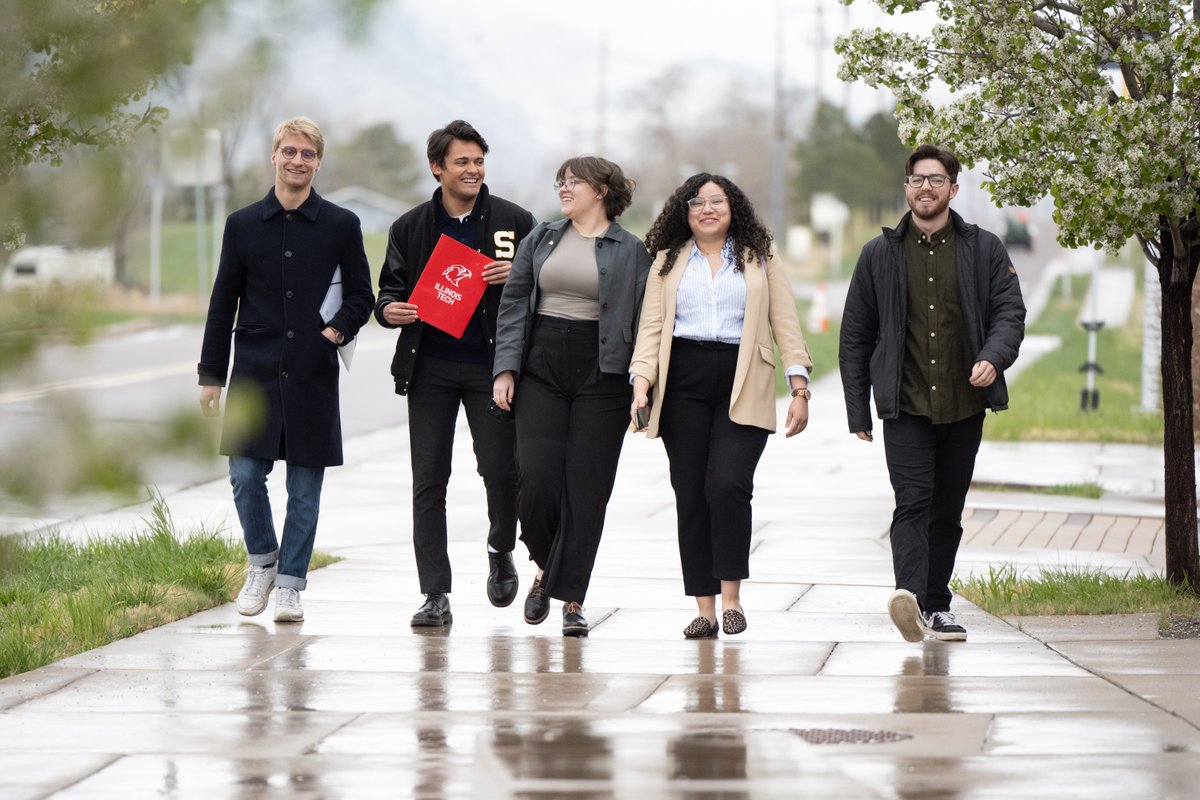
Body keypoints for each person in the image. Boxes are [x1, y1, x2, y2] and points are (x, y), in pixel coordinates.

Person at [839, 143, 1025, 643]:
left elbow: (1011, 312)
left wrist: (993, 355)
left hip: (965, 404)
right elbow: (855, 334)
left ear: (953, 188)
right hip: (906, 405)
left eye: (936, 179)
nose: (926, 187)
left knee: (947, 507)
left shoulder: (983, 248)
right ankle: (909, 598)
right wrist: (858, 408)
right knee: (912, 501)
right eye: (918, 179)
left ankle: (937, 605)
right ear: (906, 188)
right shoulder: (879, 254)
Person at [198, 116, 374, 623]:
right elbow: (222, 301)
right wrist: (211, 374)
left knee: (304, 487)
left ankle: (292, 585)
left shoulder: (342, 224)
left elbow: (361, 295)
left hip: (312, 371)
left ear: (318, 161)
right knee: (245, 475)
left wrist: (332, 335)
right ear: (273, 156)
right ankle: (262, 563)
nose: (298, 161)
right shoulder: (243, 224)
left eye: (308, 154)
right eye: (289, 151)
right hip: (253, 370)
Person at [629, 173, 813, 640]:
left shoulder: (759, 257)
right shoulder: (667, 261)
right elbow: (651, 328)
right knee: (690, 493)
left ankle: (732, 599)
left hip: (744, 377)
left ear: (734, 209)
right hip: (683, 381)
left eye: (717, 201)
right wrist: (641, 384)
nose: (707, 209)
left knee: (727, 486)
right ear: (683, 211)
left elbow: (785, 322)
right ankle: (705, 610)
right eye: (697, 202)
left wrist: (799, 387)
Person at [375, 120, 536, 627]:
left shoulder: (515, 221)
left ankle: (499, 547)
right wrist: (389, 311)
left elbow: (547, 286)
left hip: (493, 369)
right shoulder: (409, 227)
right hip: (430, 370)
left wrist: (521, 274)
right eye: (462, 161)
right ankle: (435, 593)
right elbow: (387, 293)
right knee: (429, 482)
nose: (473, 170)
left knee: (501, 471)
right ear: (437, 168)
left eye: (479, 161)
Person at [492, 156, 651, 637]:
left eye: (574, 182)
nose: (564, 188)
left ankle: (572, 598)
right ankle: (545, 566)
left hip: (602, 373)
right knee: (536, 480)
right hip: (542, 365)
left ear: (601, 191)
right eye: (560, 180)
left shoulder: (631, 251)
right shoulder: (541, 237)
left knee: (587, 489)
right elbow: (515, 303)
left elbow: (646, 320)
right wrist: (505, 368)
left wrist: (641, 385)